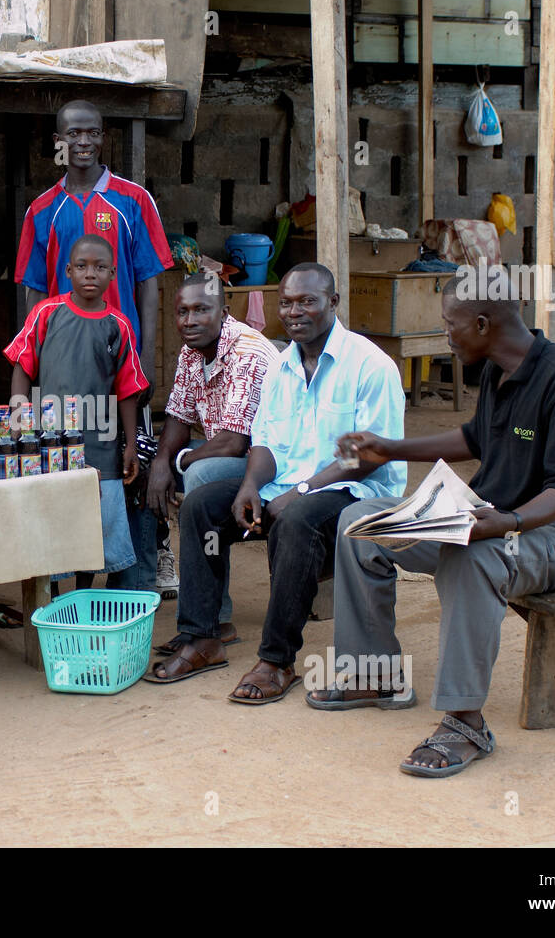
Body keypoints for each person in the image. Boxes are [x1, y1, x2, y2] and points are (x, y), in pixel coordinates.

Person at [308, 274, 555, 778]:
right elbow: (474, 439)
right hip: (489, 520)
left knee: (475, 555)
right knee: (361, 522)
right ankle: (372, 673)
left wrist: (506, 522)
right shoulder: (494, 370)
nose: (446, 333)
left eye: (451, 324)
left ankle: (465, 721)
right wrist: (390, 446)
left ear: (484, 324)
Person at [144, 263, 406, 698]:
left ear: (333, 303)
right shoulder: (282, 367)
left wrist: (300, 491)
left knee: (297, 518)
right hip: (286, 485)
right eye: (286, 302)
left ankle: (276, 660)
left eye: (307, 301)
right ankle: (204, 635)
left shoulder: (370, 366)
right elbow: (264, 444)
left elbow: (368, 456)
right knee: (203, 506)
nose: (294, 312)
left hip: (354, 490)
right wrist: (250, 486)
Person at [15, 99, 174, 595]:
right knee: (68, 465)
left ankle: (154, 557)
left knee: (133, 461)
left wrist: (146, 359)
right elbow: (34, 291)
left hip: (121, 363)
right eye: (72, 135)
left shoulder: (133, 201)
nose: (82, 143)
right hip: (66, 374)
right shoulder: (43, 209)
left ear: (103, 137)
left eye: (91, 133)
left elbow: (150, 282)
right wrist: (36, 370)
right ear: (58, 142)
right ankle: (67, 576)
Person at [145, 272, 280, 655]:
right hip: (229, 453)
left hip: (271, 464)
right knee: (150, 469)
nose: (190, 320)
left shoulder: (246, 351)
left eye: (201, 310)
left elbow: (236, 441)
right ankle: (185, 609)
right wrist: (160, 462)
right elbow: (177, 416)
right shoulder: (193, 350)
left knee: (199, 476)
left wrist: (180, 462)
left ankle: (212, 621)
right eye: (182, 311)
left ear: (223, 312)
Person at [5, 235, 144, 587]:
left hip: (100, 439)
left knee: (94, 520)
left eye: (100, 267)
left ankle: (83, 594)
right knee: (52, 515)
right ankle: (48, 596)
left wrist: (130, 444)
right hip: (50, 440)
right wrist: (18, 414)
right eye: (81, 266)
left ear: (113, 274)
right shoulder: (46, 313)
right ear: (68, 271)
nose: (90, 274)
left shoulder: (119, 324)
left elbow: (127, 389)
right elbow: (23, 363)